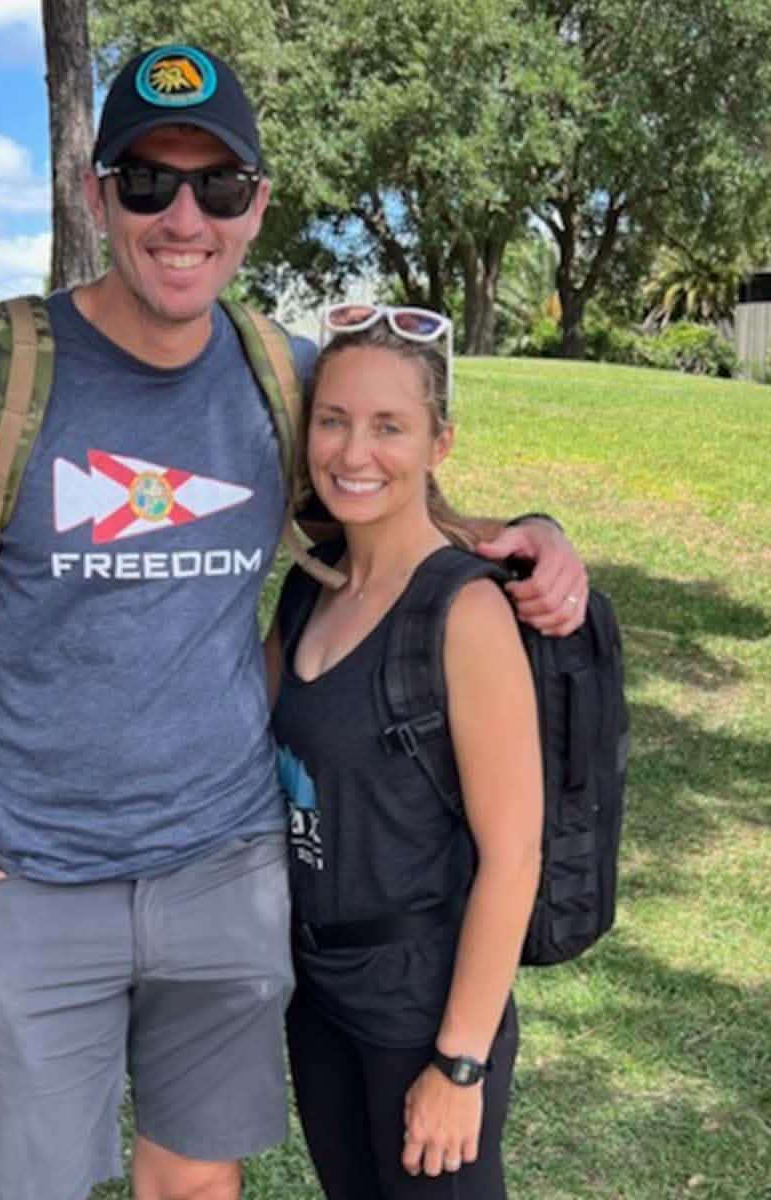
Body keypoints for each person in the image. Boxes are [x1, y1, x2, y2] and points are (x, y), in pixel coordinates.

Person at [0, 43, 582, 1200]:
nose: (181, 215)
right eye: (147, 181)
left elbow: (382, 485)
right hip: (31, 877)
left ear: (256, 208)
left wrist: (529, 529)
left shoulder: (280, 379)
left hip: (227, 874)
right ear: (98, 194)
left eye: (218, 186)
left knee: (195, 1183)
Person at [268, 307, 544, 1199]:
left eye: (390, 426)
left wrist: (460, 1064)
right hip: (318, 995)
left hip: (419, 1011)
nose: (354, 453)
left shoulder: (462, 612)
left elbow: (513, 854)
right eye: (334, 420)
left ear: (439, 444)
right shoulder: (309, 592)